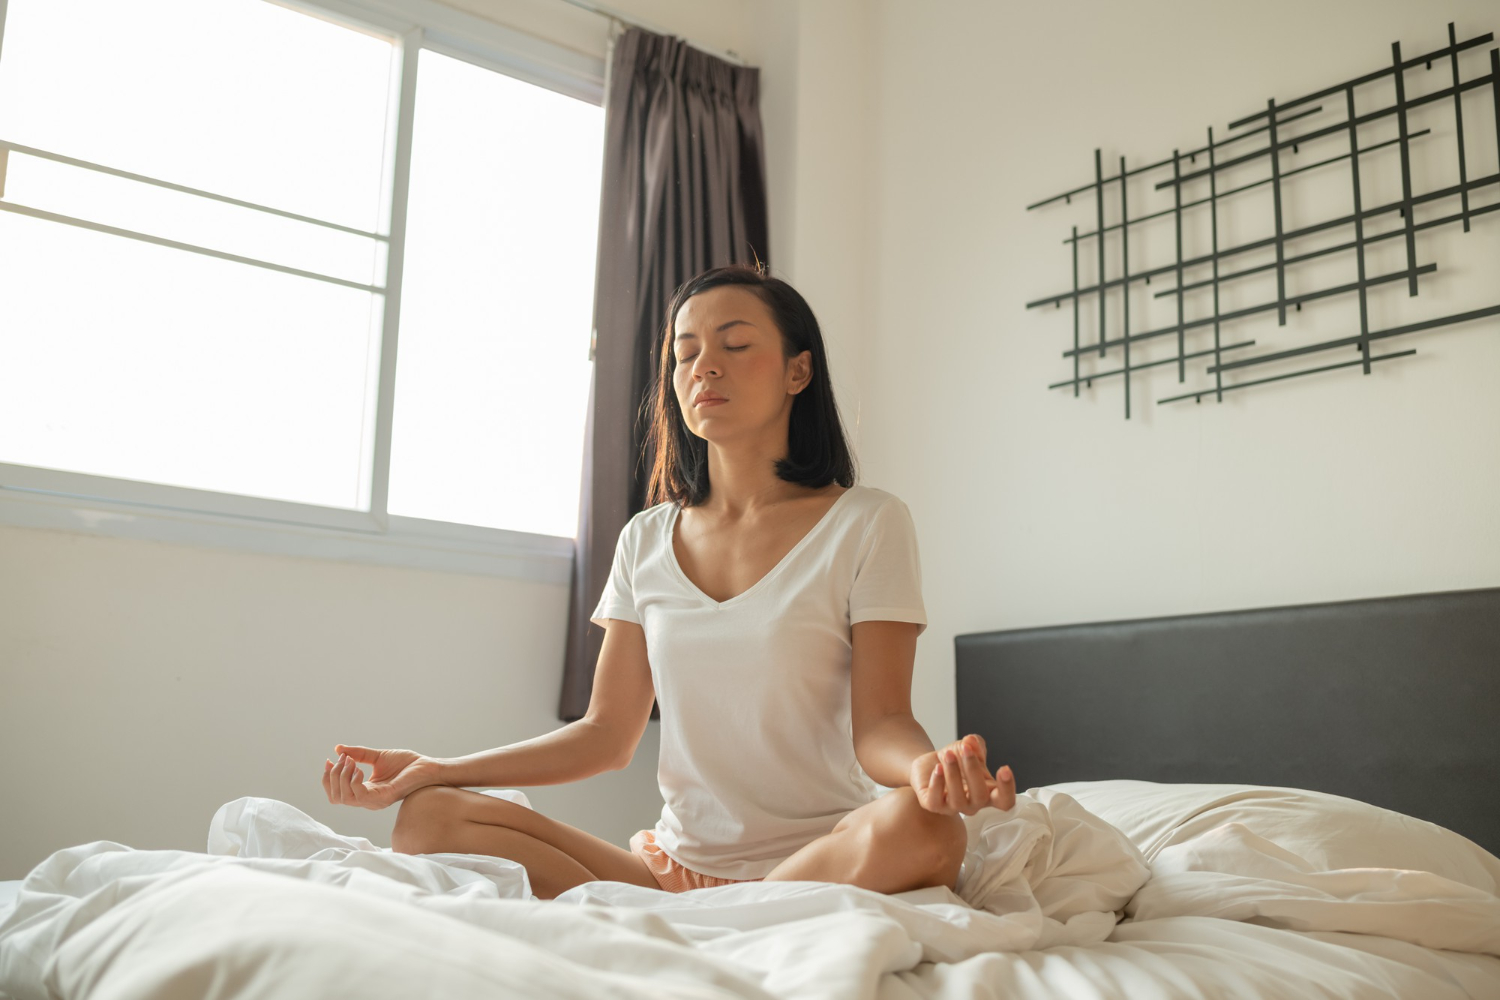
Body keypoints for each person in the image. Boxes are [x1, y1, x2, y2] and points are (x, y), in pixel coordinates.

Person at [321, 264, 1017, 900]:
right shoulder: (645, 539)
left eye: (734, 345)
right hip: (668, 871)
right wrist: (436, 769)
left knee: (929, 831)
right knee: (428, 819)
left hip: (815, 864)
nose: (703, 367)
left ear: (797, 372)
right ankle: (712, 926)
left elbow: (882, 725)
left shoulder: (867, 523)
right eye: (685, 354)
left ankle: (710, 923)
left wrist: (929, 769)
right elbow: (606, 735)